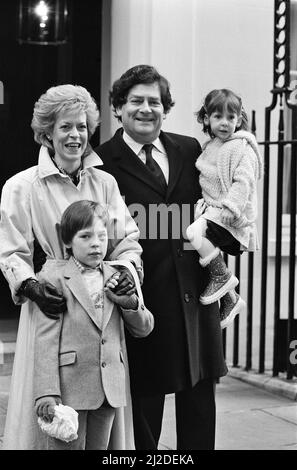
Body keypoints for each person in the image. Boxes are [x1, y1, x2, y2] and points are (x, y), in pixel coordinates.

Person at [0, 84, 143, 450]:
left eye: (81, 126)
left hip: (98, 305)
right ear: (47, 132)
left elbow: (126, 238)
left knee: (101, 409)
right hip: (52, 301)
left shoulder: (106, 183)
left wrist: (126, 270)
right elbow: (12, 251)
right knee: (49, 408)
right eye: (65, 127)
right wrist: (30, 285)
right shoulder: (22, 186)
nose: (75, 135)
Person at [95, 64, 228, 450]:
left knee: (200, 406)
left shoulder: (190, 149)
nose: (146, 109)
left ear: (165, 109)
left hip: (197, 300)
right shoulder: (102, 163)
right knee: (143, 413)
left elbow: (215, 207)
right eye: (135, 100)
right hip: (143, 303)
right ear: (118, 107)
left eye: (154, 101)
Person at [33, 200, 153, 450]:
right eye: (86, 236)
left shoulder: (118, 275)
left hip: (109, 388)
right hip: (69, 391)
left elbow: (144, 328)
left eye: (102, 235)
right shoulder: (54, 279)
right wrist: (46, 391)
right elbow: (45, 340)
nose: (96, 243)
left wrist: (128, 302)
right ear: (67, 241)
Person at [186, 89, 263, 329]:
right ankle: (231, 298)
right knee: (194, 238)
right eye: (218, 116)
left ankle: (223, 277)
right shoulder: (210, 146)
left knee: (193, 234)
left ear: (239, 120)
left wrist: (232, 205)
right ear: (207, 118)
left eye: (231, 118)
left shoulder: (241, 146)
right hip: (212, 210)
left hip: (230, 212)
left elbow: (244, 180)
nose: (224, 122)